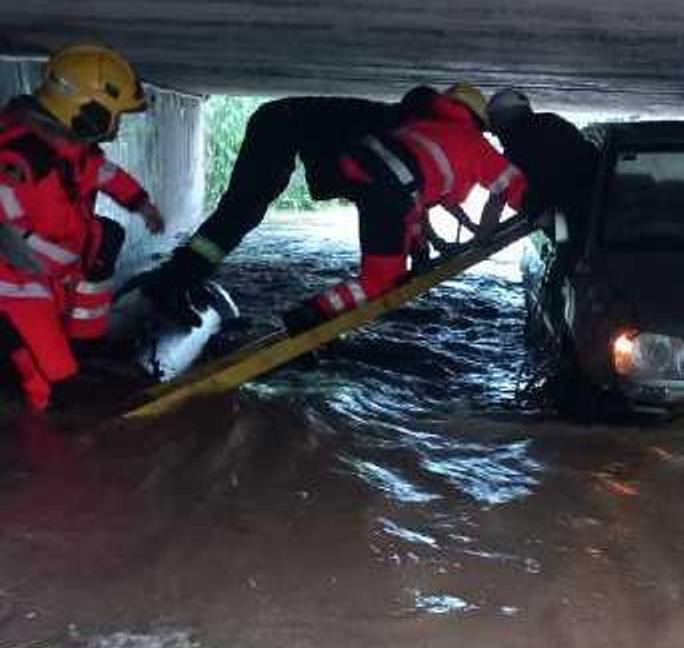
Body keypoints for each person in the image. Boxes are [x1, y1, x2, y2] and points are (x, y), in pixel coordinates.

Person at [143, 84, 528, 333]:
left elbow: (413, 194)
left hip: (292, 127)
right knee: (242, 212)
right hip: (283, 126)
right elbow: (405, 194)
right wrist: (418, 243)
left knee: (242, 213)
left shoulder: (413, 124)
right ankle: (170, 284)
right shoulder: (410, 128)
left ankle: (181, 278)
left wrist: (426, 240)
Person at [0, 44, 164, 410]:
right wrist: (60, 265)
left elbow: (106, 174)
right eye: (115, 116)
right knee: (53, 378)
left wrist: (141, 203)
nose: (118, 126)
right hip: (15, 285)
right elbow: (11, 238)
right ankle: (49, 423)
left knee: (105, 237)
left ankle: (83, 350)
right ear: (86, 112)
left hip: (45, 275)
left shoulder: (72, 152)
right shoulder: (21, 159)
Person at [484, 89, 598, 333]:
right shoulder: (555, 123)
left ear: (503, 119)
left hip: (562, 214)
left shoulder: (515, 145)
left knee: (565, 253)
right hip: (594, 204)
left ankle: (556, 317)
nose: (494, 133)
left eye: (494, 125)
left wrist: (484, 236)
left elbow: (497, 197)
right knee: (570, 244)